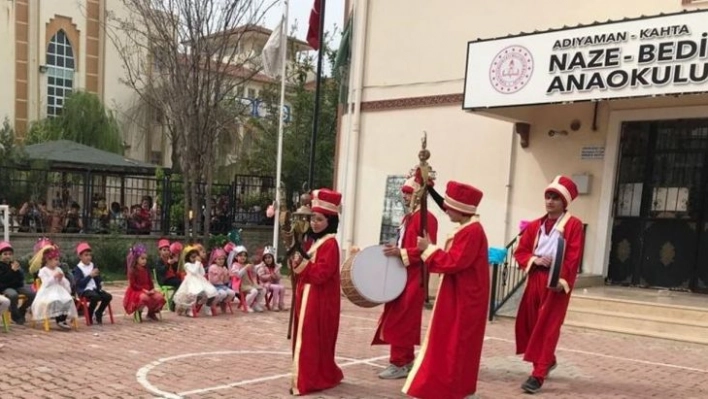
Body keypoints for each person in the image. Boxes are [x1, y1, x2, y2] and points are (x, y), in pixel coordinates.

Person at [402, 181, 488, 399]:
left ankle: (453, 388)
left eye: (450, 207)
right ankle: (449, 386)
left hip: (465, 299)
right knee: (451, 343)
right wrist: (428, 188)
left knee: (457, 345)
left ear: (460, 209)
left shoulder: (472, 232)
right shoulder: (467, 227)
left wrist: (428, 249)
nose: (445, 210)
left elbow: (453, 262)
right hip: (458, 294)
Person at [514, 175, 585, 394]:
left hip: (557, 281)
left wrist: (561, 279)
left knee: (548, 326)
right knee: (532, 323)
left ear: (564, 202)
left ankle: (538, 374)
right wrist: (534, 259)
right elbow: (521, 251)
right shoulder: (535, 225)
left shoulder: (574, 225)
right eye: (548, 196)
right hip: (536, 277)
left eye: (555, 197)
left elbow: (573, 256)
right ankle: (548, 359)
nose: (550, 201)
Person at [375, 176, 438, 379]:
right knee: (401, 318)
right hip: (403, 273)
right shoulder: (409, 217)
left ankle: (399, 363)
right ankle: (406, 360)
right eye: (403, 192)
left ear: (418, 195)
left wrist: (400, 253)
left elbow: (427, 249)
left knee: (402, 319)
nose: (404, 195)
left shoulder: (426, 218)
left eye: (408, 192)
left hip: (414, 276)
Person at [289, 188, 344, 396]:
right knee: (310, 338)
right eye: (312, 218)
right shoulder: (316, 242)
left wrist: (302, 265)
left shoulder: (330, 244)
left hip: (319, 301)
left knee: (312, 339)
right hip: (309, 297)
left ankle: (309, 379)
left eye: (319, 219)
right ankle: (314, 374)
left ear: (329, 221)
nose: (314, 223)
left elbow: (321, 274)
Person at [30, 246, 78, 330]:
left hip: (59, 289)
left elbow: (65, 283)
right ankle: (58, 319)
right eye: (56, 260)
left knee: (68, 299)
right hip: (48, 291)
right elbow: (46, 283)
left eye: (58, 259)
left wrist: (61, 279)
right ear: (48, 260)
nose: (58, 262)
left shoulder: (58, 269)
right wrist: (54, 277)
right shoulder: (43, 270)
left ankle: (62, 319)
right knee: (56, 299)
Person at [72, 242, 113, 325]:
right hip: (84, 290)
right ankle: (89, 314)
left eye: (90, 255)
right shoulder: (78, 268)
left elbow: (97, 277)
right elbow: (79, 284)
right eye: (86, 255)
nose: (88, 257)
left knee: (108, 296)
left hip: (94, 289)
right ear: (80, 256)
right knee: (95, 297)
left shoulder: (93, 265)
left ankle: (99, 312)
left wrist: (100, 281)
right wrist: (90, 276)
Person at [124, 244, 166, 321]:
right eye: (142, 259)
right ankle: (138, 312)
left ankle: (151, 312)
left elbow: (150, 282)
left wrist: (152, 289)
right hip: (137, 291)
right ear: (136, 259)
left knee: (159, 297)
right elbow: (133, 285)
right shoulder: (133, 271)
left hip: (147, 290)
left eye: (145, 259)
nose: (144, 261)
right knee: (144, 298)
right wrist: (143, 290)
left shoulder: (146, 269)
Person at [0, 241, 35, 324]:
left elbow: (21, 279)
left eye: (10, 254)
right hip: (5, 287)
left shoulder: (14, 264)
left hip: (17, 286)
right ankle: (15, 315)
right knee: (13, 295)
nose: (8, 256)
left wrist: (18, 271)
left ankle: (21, 310)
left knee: (32, 294)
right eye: (5, 254)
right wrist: (12, 271)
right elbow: (3, 279)